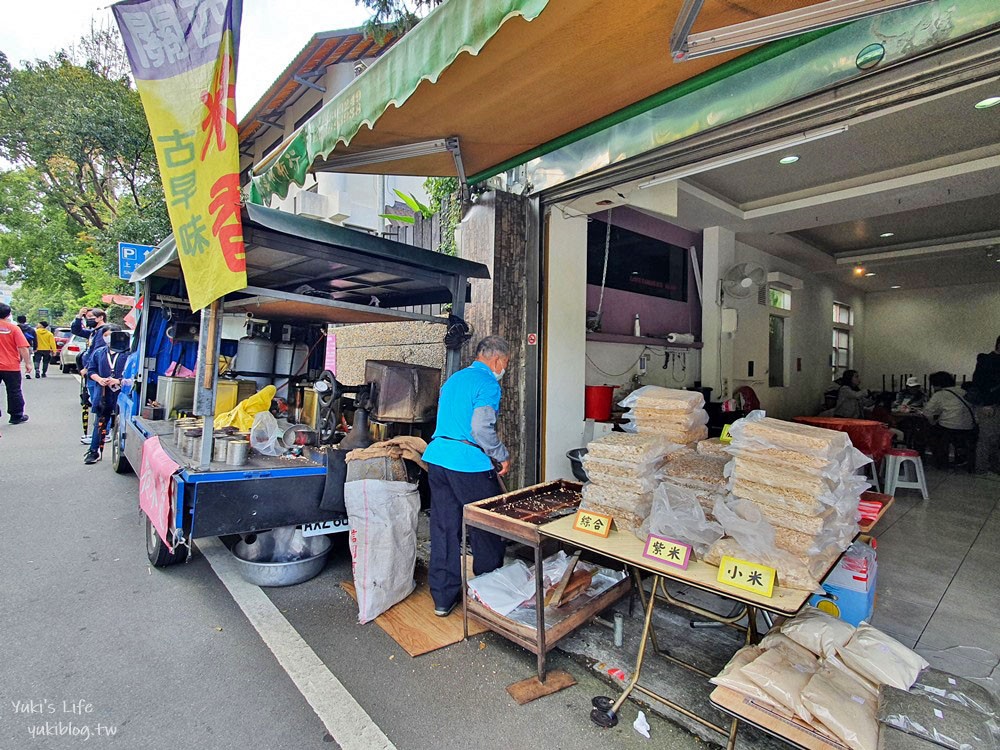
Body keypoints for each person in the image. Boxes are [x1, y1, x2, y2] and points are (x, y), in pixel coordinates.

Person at [422, 335, 511, 617]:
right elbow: (480, 427)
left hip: (437, 460)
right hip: (467, 463)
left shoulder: (454, 380)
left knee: (444, 528)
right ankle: (488, 595)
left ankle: (443, 598)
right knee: (487, 527)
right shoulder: (488, 383)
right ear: (496, 359)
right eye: (505, 364)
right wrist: (501, 454)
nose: (503, 369)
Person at [83, 327, 128, 465]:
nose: (108, 338)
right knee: (100, 422)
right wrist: (99, 379)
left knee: (123, 423)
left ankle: (123, 453)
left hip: (122, 393)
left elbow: (133, 374)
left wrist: (119, 381)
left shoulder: (128, 354)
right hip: (103, 392)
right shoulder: (99, 353)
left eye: (111, 335)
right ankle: (93, 451)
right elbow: (91, 370)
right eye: (106, 335)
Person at [923, 371, 976, 470]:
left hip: (949, 427)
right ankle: (961, 459)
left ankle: (941, 462)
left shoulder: (940, 394)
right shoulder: (963, 391)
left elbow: (927, 412)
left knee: (930, 433)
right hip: (968, 426)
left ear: (937, 384)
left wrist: (932, 422)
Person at [72, 307, 109, 443]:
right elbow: (76, 330)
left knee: (99, 403)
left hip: (96, 373)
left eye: (91, 318)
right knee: (94, 402)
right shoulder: (93, 332)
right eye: (86, 318)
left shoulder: (103, 332)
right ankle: (98, 433)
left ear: (100, 318)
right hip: (91, 373)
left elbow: (96, 352)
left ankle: (103, 432)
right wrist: (78, 316)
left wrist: (87, 368)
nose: (88, 320)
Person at [970, 335, 1000, 476]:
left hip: (992, 403)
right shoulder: (987, 361)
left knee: (992, 437)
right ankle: (982, 468)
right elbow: (980, 383)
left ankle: (992, 466)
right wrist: (986, 403)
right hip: (989, 403)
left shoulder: (986, 360)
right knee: (987, 437)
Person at [0, 303, 32, 424]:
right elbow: (22, 347)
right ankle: (16, 415)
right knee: (14, 391)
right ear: (8, 314)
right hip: (11, 366)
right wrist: (28, 363)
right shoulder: (13, 328)